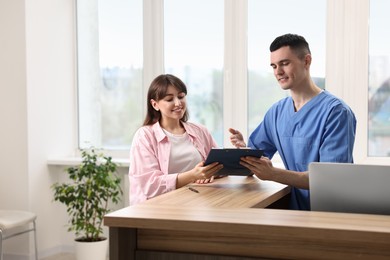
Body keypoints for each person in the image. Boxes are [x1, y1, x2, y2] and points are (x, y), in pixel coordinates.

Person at [229, 33, 357, 210]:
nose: (278, 72)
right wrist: (244, 152)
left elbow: (331, 179)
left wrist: (273, 174)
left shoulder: (336, 112)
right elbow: (256, 162)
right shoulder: (276, 112)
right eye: (274, 66)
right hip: (296, 211)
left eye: (284, 63)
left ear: (306, 61)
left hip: (331, 212)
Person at [129, 74, 223, 205]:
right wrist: (193, 175)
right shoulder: (144, 136)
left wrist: (212, 174)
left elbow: (219, 166)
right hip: (158, 209)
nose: (178, 103)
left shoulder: (200, 131)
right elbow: (150, 186)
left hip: (197, 203)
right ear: (155, 104)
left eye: (181, 96)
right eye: (169, 99)